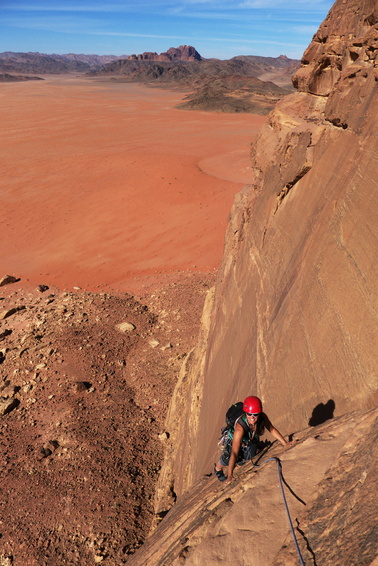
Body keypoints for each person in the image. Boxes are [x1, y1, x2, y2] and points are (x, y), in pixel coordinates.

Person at [214, 395, 296, 483]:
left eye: (255, 414)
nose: (252, 417)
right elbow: (234, 452)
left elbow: (271, 429)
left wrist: (285, 443)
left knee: (248, 456)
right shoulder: (239, 428)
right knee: (228, 458)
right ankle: (217, 468)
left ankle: (242, 457)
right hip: (235, 438)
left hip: (249, 437)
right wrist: (230, 475)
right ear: (245, 412)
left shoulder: (262, 417)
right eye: (249, 414)